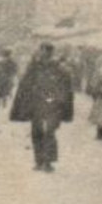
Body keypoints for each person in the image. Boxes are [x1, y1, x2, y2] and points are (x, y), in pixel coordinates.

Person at [10, 43, 74, 172]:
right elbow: (25, 84)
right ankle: (39, 161)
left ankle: (48, 162)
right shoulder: (35, 67)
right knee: (37, 132)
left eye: (44, 52)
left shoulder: (59, 69)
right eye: (41, 52)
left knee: (49, 132)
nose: (42, 55)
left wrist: (57, 101)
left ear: (49, 53)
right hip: (37, 105)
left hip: (52, 106)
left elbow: (65, 88)